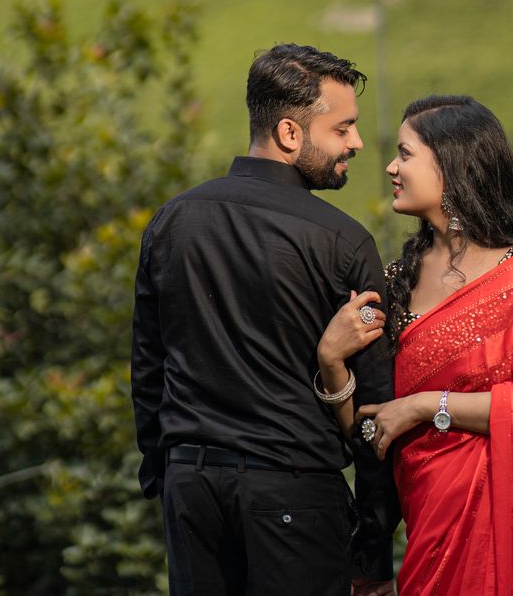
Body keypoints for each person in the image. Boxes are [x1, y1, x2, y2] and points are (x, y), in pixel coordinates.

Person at [130, 42, 400, 596]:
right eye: (343, 128)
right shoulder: (343, 242)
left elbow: (147, 369)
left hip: (191, 490)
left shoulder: (172, 221)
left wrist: (166, 475)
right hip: (293, 496)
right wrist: (372, 544)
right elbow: (376, 406)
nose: (356, 142)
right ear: (289, 133)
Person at [316, 95, 513, 596]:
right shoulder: (397, 284)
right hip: (428, 525)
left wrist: (426, 406)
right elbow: (372, 434)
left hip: (507, 531)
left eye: (405, 154)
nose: (390, 166)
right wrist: (331, 364)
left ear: (453, 167)